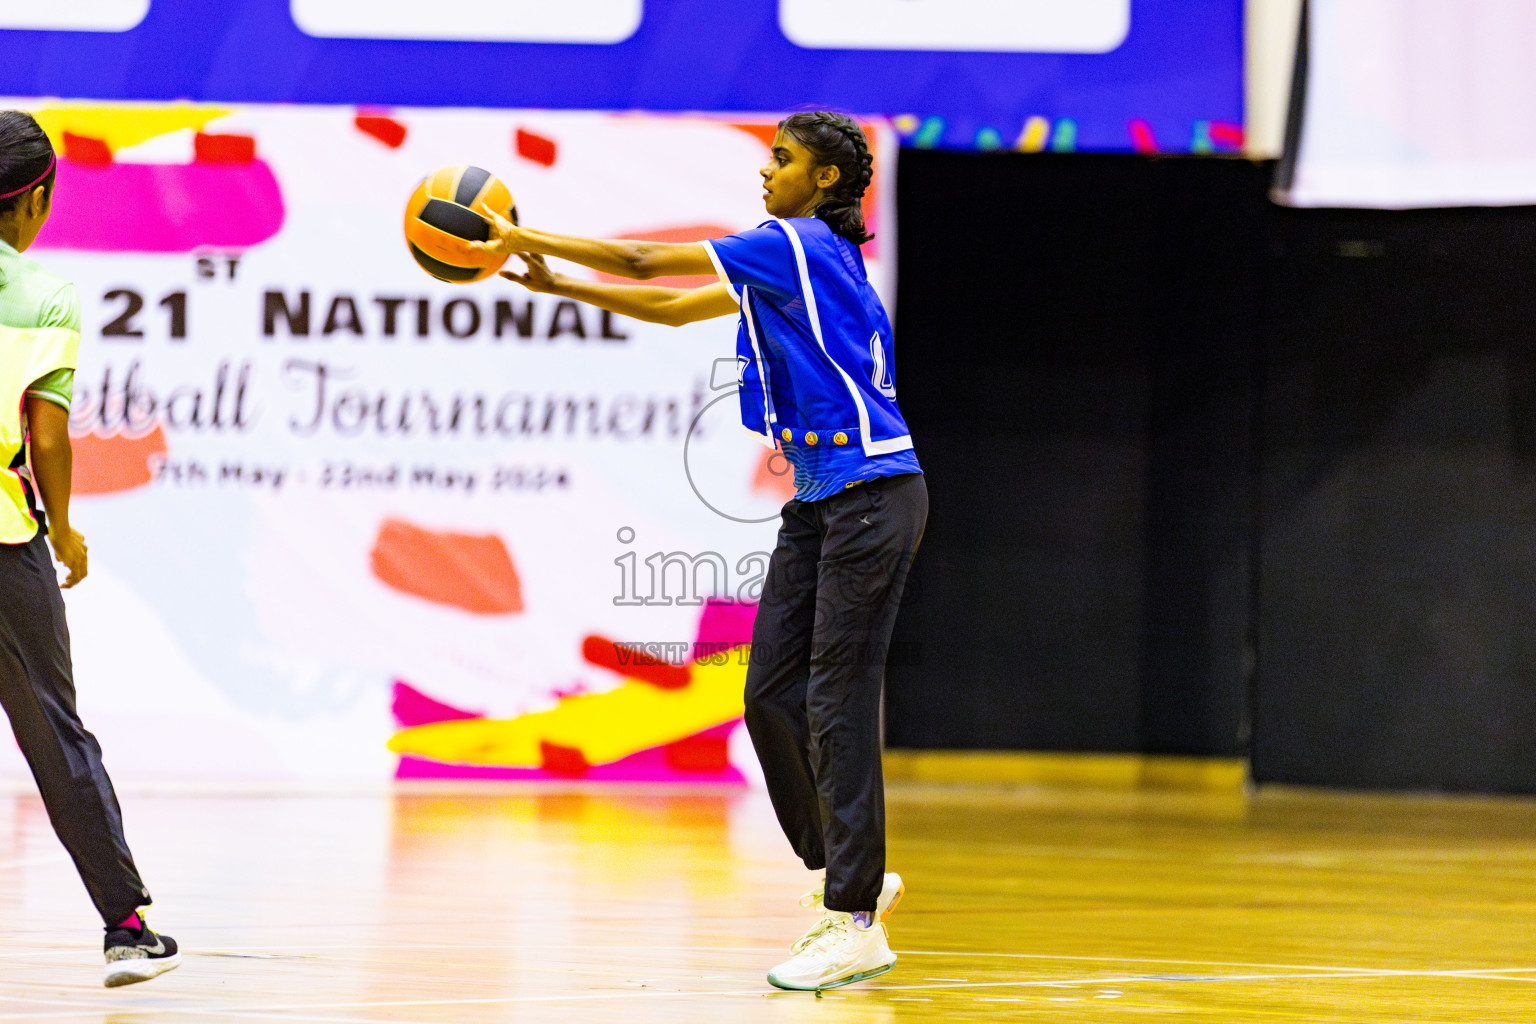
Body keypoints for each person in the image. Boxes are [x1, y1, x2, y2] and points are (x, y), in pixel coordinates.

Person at [471, 110, 927, 991]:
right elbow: (673, 307)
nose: (768, 171)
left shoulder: (795, 245)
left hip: (874, 497)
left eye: (784, 160)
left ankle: (856, 916)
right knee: (767, 697)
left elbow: (648, 260)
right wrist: (553, 279)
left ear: (826, 180)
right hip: (823, 499)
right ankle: (844, 867)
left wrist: (514, 233)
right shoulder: (790, 261)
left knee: (835, 700)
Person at [0, 110, 179, 988]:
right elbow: (50, 439)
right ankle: (125, 927)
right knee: (55, 736)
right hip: (4, 543)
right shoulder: (44, 296)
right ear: (35, 201)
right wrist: (65, 531)